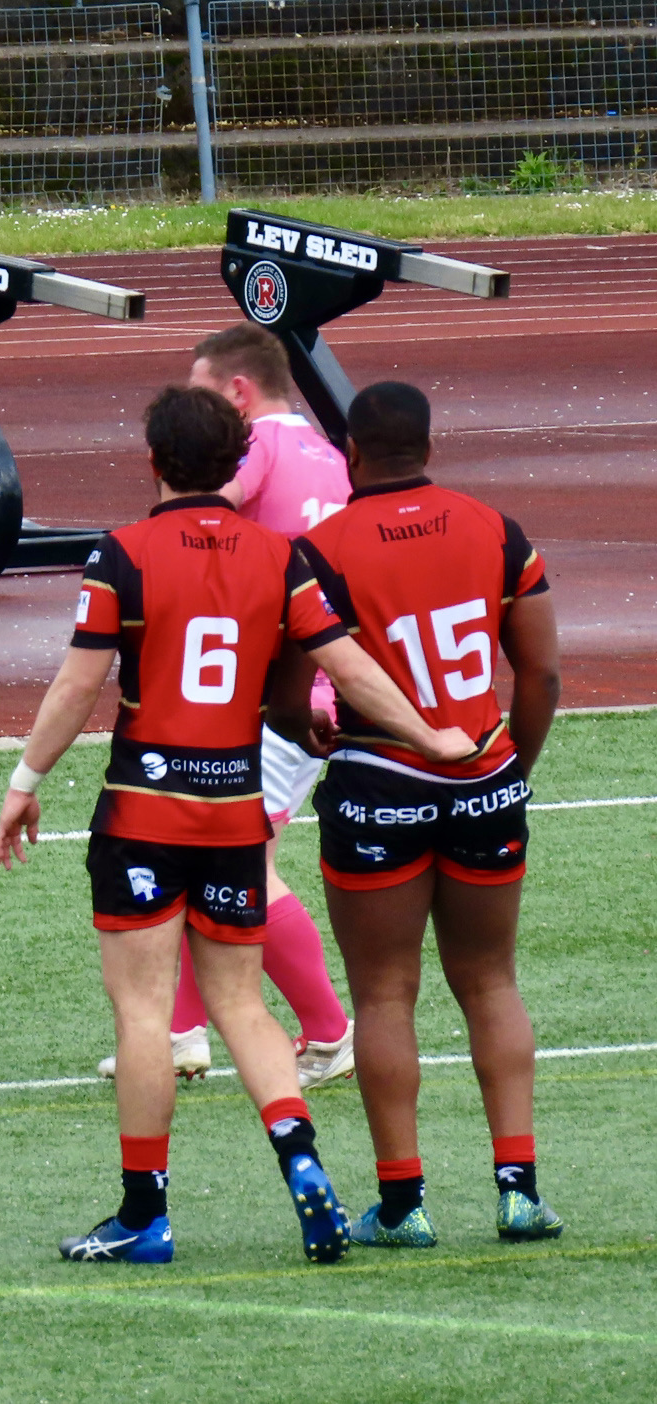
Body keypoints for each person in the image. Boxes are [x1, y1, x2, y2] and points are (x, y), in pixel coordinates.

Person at [0, 386, 473, 1265]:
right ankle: (301, 1161)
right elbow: (349, 669)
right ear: (235, 463)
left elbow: (77, 686)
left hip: (143, 812)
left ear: (153, 461)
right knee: (244, 1005)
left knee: (144, 1015)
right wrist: (427, 733)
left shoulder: (122, 554)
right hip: (234, 816)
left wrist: (25, 782)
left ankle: (144, 1216)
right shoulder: (280, 557)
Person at [292, 382, 563, 1247]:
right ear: (430, 447)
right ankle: (519, 1192)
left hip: (380, 785)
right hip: (485, 779)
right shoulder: (496, 530)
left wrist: (307, 726)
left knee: (383, 993)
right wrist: (512, 771)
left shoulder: (319, 549)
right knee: (491, 982)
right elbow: (541, 674)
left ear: (351, 453)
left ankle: (404, 1204)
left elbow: (288, 694)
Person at [97, 324, 355, 1087]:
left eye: (202, 391)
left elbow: (200, 514)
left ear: (238, 392)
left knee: (249, 865)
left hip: (271, 695)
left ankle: (330, 1033)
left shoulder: (261, 444)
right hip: (307, 683)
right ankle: (181, 1032)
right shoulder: (326, 452)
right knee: (201, 849)